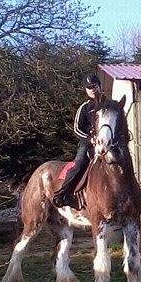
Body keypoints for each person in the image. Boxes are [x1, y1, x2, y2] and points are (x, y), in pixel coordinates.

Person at [52, 72, 104, 208]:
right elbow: (77, 129)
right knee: (79, 164)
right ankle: (63, 194)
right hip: (88, 146)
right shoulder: (84, 108)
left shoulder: (109, 105)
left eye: (94, 86)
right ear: (86, 90)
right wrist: (90, 139)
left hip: (107, 143)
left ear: (100, 86)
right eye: (89, 87)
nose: (93, 89)